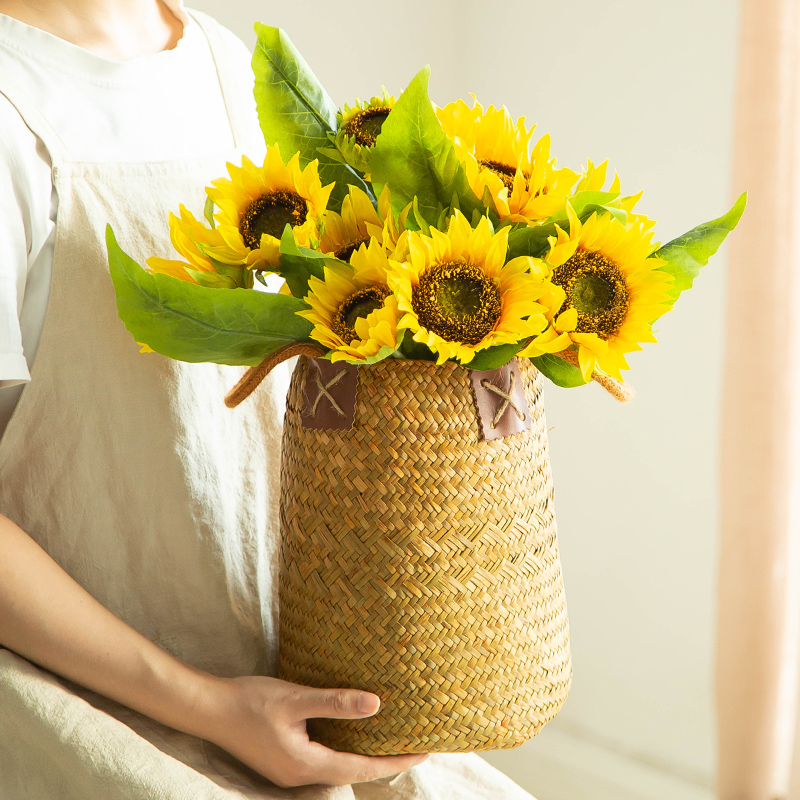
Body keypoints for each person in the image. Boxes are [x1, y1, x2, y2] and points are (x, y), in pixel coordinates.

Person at [0, 1, 538, 798]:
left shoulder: (227, 66)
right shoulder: (16, 102)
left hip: (295, 686)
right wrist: (210, 708)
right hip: (91, 690)